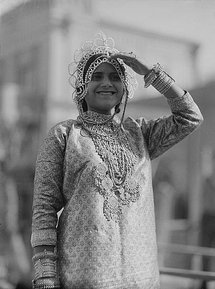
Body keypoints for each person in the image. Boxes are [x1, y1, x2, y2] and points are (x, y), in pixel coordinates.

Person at [31, 31, 203, 289]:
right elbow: (44, 210)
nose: (107, 83)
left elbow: (190, 117)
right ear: (82, 86)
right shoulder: (65, 135)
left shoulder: (141, 133)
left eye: (115, 77)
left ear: (125, 87)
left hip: (141, 277)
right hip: (84, 277)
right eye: (96, 77)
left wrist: (151, 74)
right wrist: (45, 278)